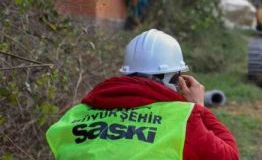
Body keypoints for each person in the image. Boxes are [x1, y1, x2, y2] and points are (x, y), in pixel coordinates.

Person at [45, 29, 240, 160]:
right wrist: (198, 107)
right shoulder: (182, 121)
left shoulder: (76, 115)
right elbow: (230, 155)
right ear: (171, 78)